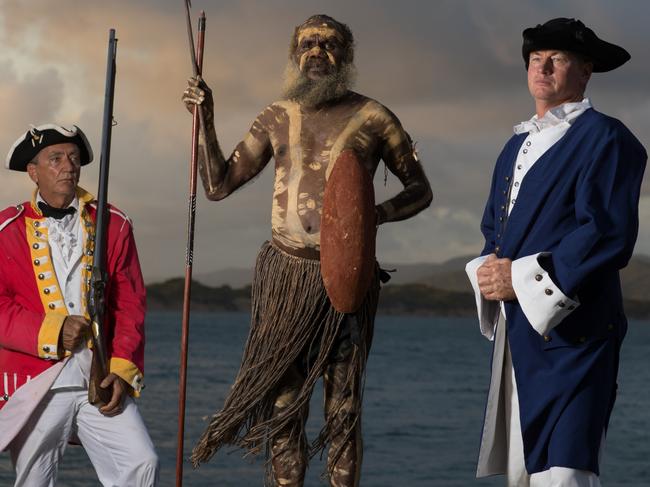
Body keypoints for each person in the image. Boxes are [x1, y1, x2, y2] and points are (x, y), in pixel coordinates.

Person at [183, 14, 432, 487]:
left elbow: (420, 190)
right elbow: (217, 185)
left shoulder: (376, 118)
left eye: (329, 43)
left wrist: (368, 218)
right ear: (295, 56)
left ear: (347, 56)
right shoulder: (277, 115)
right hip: (287, 280)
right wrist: (206, 119)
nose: (317, 52)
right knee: (284, 407)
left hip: (346, 280)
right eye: (308, 44)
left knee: (344, 407)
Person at [465, 18, 646, 486]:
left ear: (585, 71)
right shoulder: (514, 146)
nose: (542, 67)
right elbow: (495, 231)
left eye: (557, 59)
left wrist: (520, 278)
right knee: (526, 475)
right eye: (535, 59)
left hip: (578, 335)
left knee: (566, 474)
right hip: (520, 336)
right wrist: (486, 271)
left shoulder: (609, 138)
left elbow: (607, 232)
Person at [0, 124, 159, 486]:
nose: (68, 166)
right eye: (55, 159)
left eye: (73, 158)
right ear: (33, 171)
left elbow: (129, 304)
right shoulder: (5, 229)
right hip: (34, 382)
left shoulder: (113, 224)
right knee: (34, 481)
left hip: (98, 376)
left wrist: (121, 368)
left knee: (141, 463)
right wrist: (52, 331)